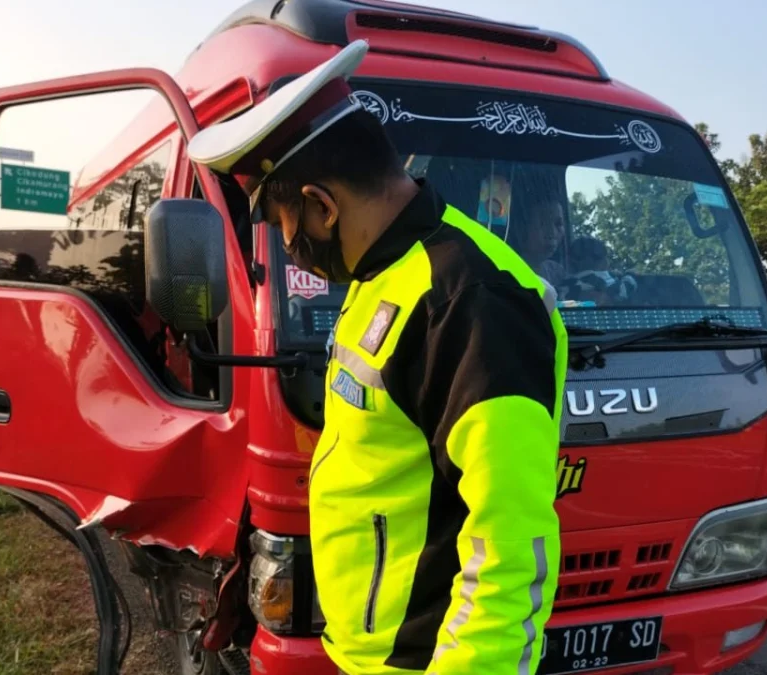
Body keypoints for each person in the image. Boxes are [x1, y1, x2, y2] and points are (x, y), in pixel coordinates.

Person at [187, 39, 568, 675]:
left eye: (283, 223)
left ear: (323, 206)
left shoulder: (470, 299)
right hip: (370, 651)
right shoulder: (378, 274)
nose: (288, 245)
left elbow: (509, 538)